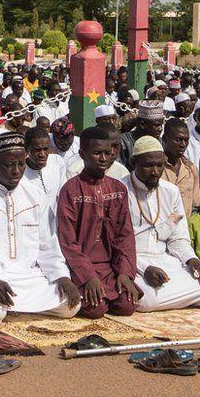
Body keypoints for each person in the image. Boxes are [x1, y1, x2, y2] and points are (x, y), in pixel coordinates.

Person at [0, 133, 81, 318]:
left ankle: (17, 309)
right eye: (9, 165)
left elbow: (48, 244)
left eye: (21, 164)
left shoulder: (35, 195)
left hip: (31, 278)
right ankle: (11, 308)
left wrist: (62, 276)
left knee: (71, 306)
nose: (16, 171)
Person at [55, 126, 141, 319]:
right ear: (82, 154)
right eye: (96, 153)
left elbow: (125, 236)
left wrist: (125, 274)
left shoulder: (118, 188)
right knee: (96, 309)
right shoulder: (71, 190)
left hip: (110, 268)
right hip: (80, 268)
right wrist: (88, 277)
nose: (103, 159)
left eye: (107, 153)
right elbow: (68, 242)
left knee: (127, 306)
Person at [124, 136, 200, 312]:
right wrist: (144, 269)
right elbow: (116, 245)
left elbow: (178, 238)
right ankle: (173, 298)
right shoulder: (121, 190)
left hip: (165, 259)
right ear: (133, 163)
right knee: (146, 300)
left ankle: (168, 297)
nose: (155, 171)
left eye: (159, 165)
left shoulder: (170, 191)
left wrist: (192, 260)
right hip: (133, 261)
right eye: (148, 165)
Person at [161, 118, 200, 218]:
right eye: (178, 140)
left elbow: (195, 205)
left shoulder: (190, 169)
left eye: (186, 140)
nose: (183, 145)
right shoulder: (157, 167)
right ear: (165, 139)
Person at [22, 126, 66, 203]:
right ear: (26, 149)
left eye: (46, 149)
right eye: (37, 150)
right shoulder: (20, 173)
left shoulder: (57, 162)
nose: (42, 154)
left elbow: (63, 194)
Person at [119, 100, 166, 167]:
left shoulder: (161, 142)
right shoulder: (123, 142)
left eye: (161, 125)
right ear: (142, 124)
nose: (160, 129)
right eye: (156, 125)